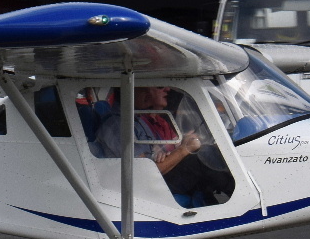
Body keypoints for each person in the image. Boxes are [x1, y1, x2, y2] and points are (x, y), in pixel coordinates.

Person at [96, 86, 233, 206]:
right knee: (203, 156)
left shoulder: (138, 119)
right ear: (136, 89)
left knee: (206, 153)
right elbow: (145, 172)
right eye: (159, 86)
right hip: (146, 186)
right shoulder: (118, 126)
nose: (167, 89)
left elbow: (155, 155)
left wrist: (165, 152)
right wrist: (185, 149)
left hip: (157, 176)